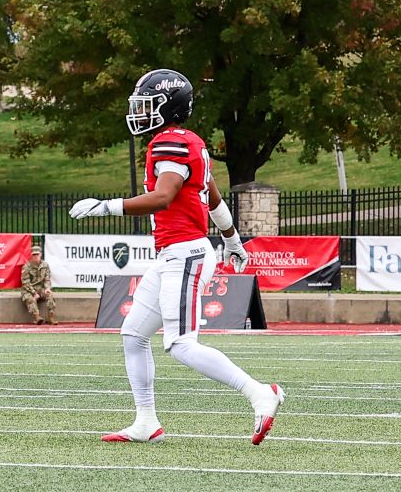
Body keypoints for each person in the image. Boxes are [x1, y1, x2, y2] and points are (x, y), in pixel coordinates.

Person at [69, 68, 283, 445]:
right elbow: (212, 197)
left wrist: (107, 206)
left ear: (167, 106)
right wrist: (233, 240)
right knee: (134, 334)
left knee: (180, 344)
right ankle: (146, 422)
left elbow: (163, 196)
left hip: (185, 253)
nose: (140, 111)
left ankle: (259, 392)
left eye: (147, 104)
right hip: (175, 253)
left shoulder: (169, 142)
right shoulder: (191, 142)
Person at [19, 243, 54, 324]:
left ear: (41, 254)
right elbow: (25, 282)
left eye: (37, 254)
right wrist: (34, 293)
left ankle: (51, 316)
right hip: (28, 290)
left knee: (50, 295)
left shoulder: (45, 265)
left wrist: (47, 288)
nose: (35, 256)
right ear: (31, 255)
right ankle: (36, 317)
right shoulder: (26, 266)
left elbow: (47, 278)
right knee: (30, 299)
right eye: (34, 254)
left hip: (40, 288)